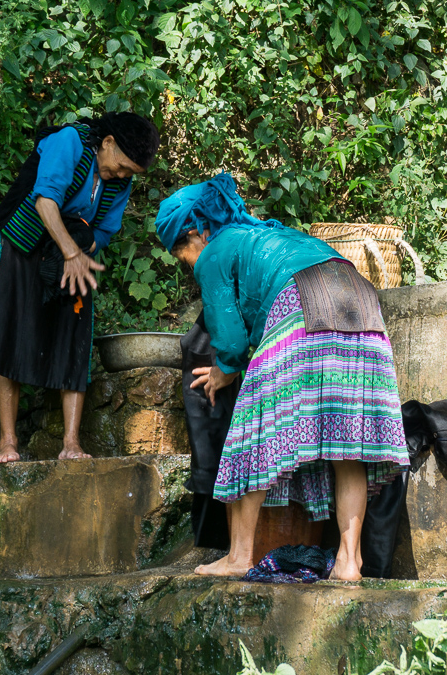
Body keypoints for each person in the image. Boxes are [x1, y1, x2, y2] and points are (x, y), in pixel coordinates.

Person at [156, 174, 409, 580]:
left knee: (252, 430)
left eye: (180, 253)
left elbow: (232, 338)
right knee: (349, 444)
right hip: (360, 300)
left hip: (301, 302)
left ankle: (239, 556)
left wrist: (224, 371)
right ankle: (348, 562)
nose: (186, 264)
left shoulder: (215, 251)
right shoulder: (268, 235)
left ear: (197, 232)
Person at [0, 112, 160, 463]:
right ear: (107, 143)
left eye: (130, 173)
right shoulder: (70, 142)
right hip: (21, 240)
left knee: (73, 335)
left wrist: (81, 247)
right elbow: (45, 200)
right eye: (122, 166)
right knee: (10, 335)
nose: (123, 176)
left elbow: (105, 230)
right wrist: (71, 252)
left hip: (69, 249)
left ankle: (72, 444)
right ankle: (7, 444)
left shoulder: (120, 180)